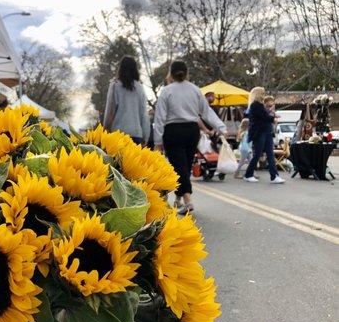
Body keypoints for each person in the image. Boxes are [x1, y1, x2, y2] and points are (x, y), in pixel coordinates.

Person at [153, 60, 227, 214]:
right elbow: (206, 112)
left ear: (170, 74)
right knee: (184, 167)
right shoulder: (195, 90)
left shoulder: (167, 91)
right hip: (192, 131)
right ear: (187, 73)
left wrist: (157, 141)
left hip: (172, 131)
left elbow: (159, 117)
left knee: (179, 167)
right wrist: (221, 127)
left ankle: (188, 200)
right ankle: (179, 198)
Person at [103, 56, 150, 145]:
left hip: (118, 135)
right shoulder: (140, 88)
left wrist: (106, 129)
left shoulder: (114, 86)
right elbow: (144, 115)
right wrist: (145, 137)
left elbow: (110, 112)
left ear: (120, 69)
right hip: (137, 134)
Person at [243, 88, 285, 184]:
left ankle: (274, 176)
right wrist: (273, 117)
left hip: (266, 132)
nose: (264, 94)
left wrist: (272, 116)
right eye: (262, 93)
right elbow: (265, 117)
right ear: (258, 94)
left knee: (270, 154)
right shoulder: (255, 105)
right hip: (260, 132)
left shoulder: (259, 105)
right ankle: (248, 174)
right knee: (258, 154)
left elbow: (265, 117)